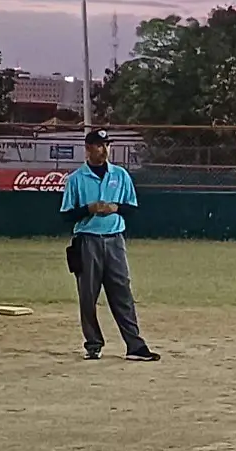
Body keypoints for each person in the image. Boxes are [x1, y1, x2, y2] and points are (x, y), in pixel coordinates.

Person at [61, 129, 160, 361]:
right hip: (87, 240)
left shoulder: (120, 175)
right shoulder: (76, 179)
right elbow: (66, 214)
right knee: (88, 296)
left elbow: (132, 207)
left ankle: (135, 346)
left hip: (115, 240)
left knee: (122, 292)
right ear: (88, 149)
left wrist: (116, 208)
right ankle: (93, 344)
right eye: (99, 145)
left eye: (106, 145)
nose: (104, 149)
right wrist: (88, 209)